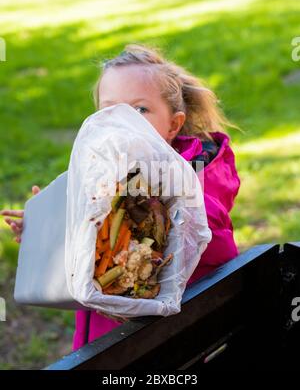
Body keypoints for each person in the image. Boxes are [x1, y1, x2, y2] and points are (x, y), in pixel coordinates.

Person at [0, 43, 240, 351]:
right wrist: (48, 225)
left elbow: (204, 252)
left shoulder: (191, 191)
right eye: (109, 110)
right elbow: (84, 252)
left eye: (140, 110)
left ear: (173, 125)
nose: (122, 123)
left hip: (162, 344)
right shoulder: (104, 176)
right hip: (104, 345)